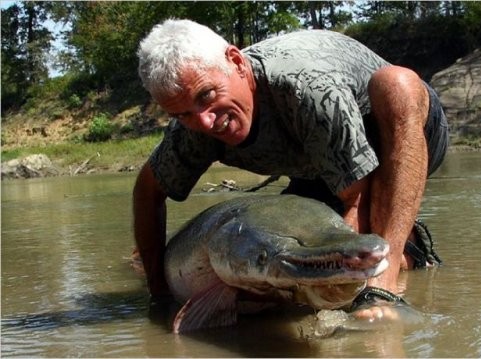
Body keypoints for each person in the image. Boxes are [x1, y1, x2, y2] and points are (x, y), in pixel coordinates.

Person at [134, 19, 448, 320]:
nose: (204, 121)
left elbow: (358, 195)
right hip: (319, 168)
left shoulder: (306, 87)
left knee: (396, 84)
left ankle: (387, 278)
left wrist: (348, 288)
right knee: (286, 253)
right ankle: (398, 249)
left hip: (395, 137)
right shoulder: (195, 125)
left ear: (236, 62)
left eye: (207, 95)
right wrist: (158, 292)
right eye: (183, 114)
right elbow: (148, 192)